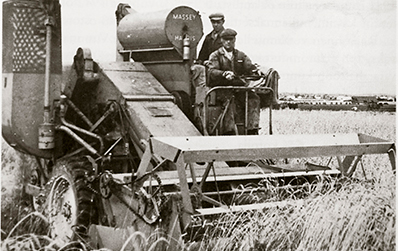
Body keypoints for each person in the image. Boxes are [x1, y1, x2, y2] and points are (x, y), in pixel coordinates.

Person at [207, 28, 261, 135]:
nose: (228, 42)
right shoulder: (215, 55)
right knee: (229, 100)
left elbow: (250, 67)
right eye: (226, 39)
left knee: (254, 98)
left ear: (234, 40)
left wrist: (258, 70)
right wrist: (224, 74)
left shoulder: (240, 55)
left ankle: (252, 129)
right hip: (221, 88)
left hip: (238, 88)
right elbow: (212, 71)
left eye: (231, 39)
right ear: (221, 41)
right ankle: (229, 131)